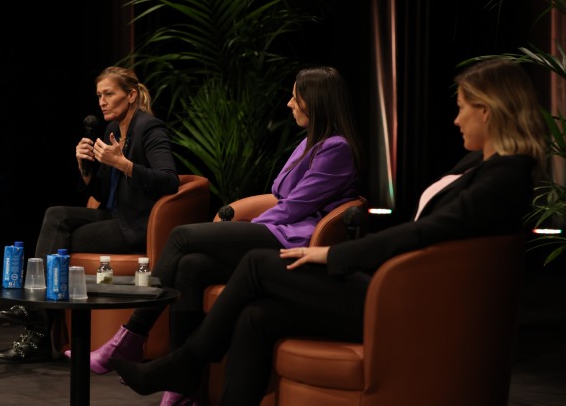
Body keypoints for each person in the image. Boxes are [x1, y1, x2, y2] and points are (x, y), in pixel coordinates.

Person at [110, 58, 547, 405]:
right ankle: (189, 372)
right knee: (257, 316)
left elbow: (426, 232)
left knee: (259, 264)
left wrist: (333, 256)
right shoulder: (482, 167)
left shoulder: (506, 177)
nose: (455, 120)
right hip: (397, 288)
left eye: (461, 108)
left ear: (487, 112)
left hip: (405, 301)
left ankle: (181, 363)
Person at [79, 66, 364, 406]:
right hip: (276, 228)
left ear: (315, 102)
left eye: (295, 96)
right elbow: (281, 197)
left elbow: (294, 207)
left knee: (183, 237)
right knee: (192, 266)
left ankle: (132, 333)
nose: (289, 103)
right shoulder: (308, 143)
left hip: (293, 239)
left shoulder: (336, 148)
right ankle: (185, 385)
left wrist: (242, 228)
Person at [0, 66, 180, 363]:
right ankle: (37, 322)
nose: (102, 101)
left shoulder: (149, 127)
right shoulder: (112, 130)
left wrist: (123, 163)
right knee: (56, 215)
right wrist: (85, 168)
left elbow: (169, 180)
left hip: (136, 225)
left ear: (130, 95)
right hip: (114, 215)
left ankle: (36, 326)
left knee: (63, 236)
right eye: (98, 95)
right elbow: (103, 194)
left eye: (109, 94)